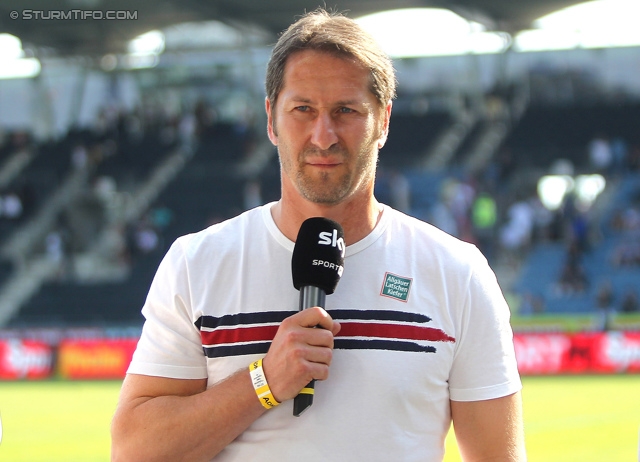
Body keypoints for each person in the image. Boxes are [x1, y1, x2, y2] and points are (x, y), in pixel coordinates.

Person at [111, 9, 525, 462]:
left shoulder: (457, 274)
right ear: (271, 119)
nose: (323, 136)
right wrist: (264, 381)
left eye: (346, 111)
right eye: (303, 109)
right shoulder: (197, 263)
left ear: (383, 121)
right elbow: (135, 451)